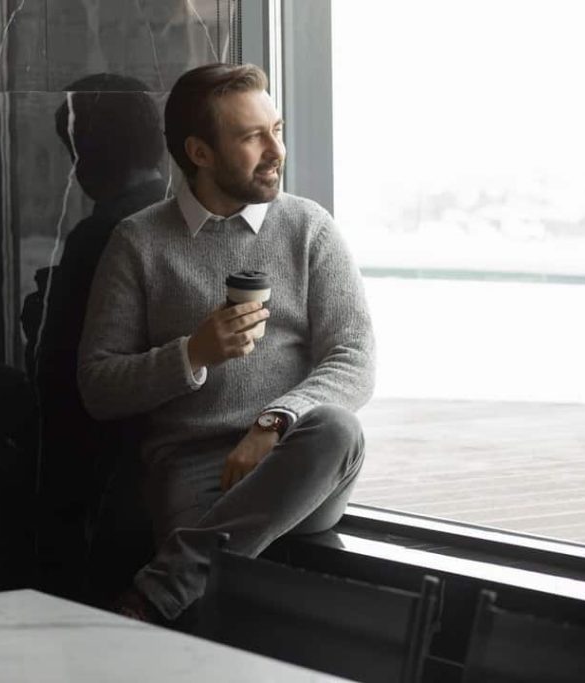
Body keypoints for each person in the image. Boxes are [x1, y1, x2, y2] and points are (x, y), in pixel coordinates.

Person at [76, 63, 376, 624]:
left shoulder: (309, 228)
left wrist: (275, 422)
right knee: (213, 628)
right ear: (201, 152)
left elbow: (354, 358)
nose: (276, 150)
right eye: (251, 137)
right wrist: (193, 354)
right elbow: (99, 385)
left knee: (339, 427)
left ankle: (154, 595)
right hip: (193, 469)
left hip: (294, 459)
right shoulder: (138, 242)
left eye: (277, 129)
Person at [20, 74, 168, 602]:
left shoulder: (101, 233)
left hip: (101, 479)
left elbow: (59, 368)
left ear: (86, 153)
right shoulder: (183, 214)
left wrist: (41, 309)